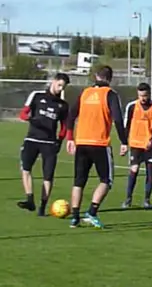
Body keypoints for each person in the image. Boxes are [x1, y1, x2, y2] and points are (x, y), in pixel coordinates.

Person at [65, 65, 128, 229]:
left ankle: (75, 218)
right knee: (107, 180)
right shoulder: (110, 94)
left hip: (82, 143)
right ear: (110, 78)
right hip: (99, 143)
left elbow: (70, 116)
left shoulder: (85, 93)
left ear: (95, 76)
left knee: (78, 181)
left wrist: (70, 138)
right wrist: (124, 141)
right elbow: (119, 120)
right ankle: (92, 212)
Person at [16, 73, 71, 216]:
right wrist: (30, 119)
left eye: (63, 87)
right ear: (53, 82)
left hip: (49, 143)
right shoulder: (36, 95)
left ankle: (42, 206)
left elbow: (64, 126)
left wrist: (59, 141)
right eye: (59, 85)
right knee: (25, 168)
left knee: (48, 176)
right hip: (32, 139)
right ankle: (30, 199)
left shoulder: (63, 105)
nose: (60, 89)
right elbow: (23, 114)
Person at [122, 83, 152, 210]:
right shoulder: (131, 106)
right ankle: (128, 199)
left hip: (149, 145)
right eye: (140, 95)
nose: (143, 98)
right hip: (135, 144)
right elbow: (126, 125)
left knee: (150, 171)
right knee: (133, 170)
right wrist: (124, 143)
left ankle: (147, 200)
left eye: (145, 95)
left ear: (149, 94)